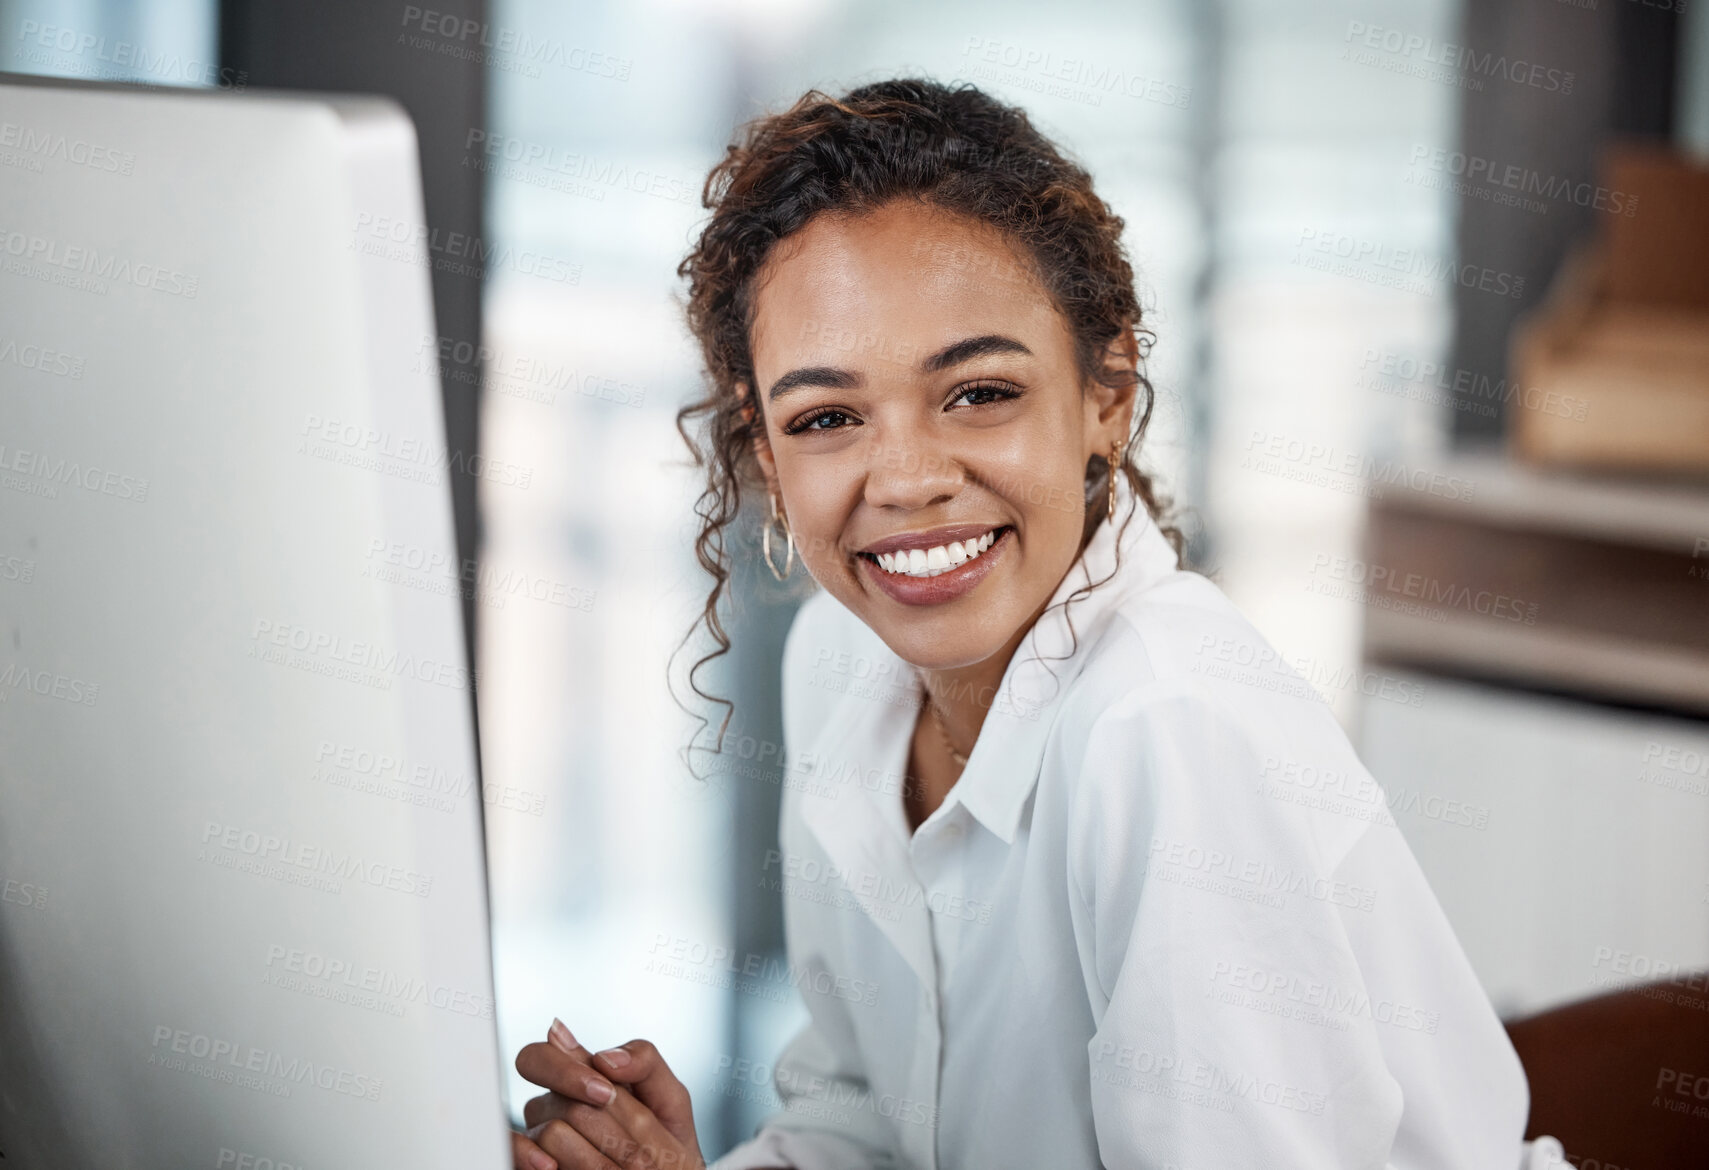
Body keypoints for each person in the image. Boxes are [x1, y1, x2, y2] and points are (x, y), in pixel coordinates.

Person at [507, 77, 1568, 1170]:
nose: (907, 480)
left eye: (978, 393)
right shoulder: (842, 659)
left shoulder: (1168, 733)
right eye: (826, 418)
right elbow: (873, 1123)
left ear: (1105, 392)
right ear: (766, 457)